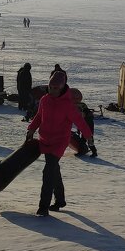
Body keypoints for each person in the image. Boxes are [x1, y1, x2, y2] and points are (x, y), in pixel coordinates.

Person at [26, 69, 92, 216]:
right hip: (45, 140)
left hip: (59, 142)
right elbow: (38, 117)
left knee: (48, 171)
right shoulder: (44, 100)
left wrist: (89, 137)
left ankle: (43, 207)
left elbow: (80, 122)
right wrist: (31, 129)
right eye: (51, 87)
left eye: (56, 88)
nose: (53, 90)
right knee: (53, 169)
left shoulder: (67, 105)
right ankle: (60, 200)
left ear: (62, 87)